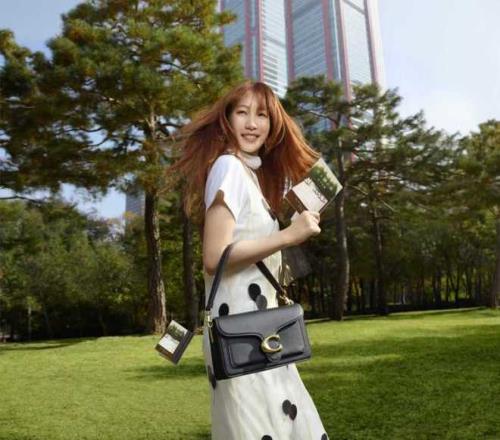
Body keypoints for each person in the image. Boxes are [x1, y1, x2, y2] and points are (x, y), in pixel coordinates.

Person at [173, 81, 329, 440]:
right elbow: (214, 258)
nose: (252, 123)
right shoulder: (228, 166)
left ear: (272, 126)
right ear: (227, 120)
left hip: (264, 330)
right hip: (241, 336)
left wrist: (292, 233)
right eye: (242, 112)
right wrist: (288, 235)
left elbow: (260, 262)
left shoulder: (250, 177)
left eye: (262, 115)